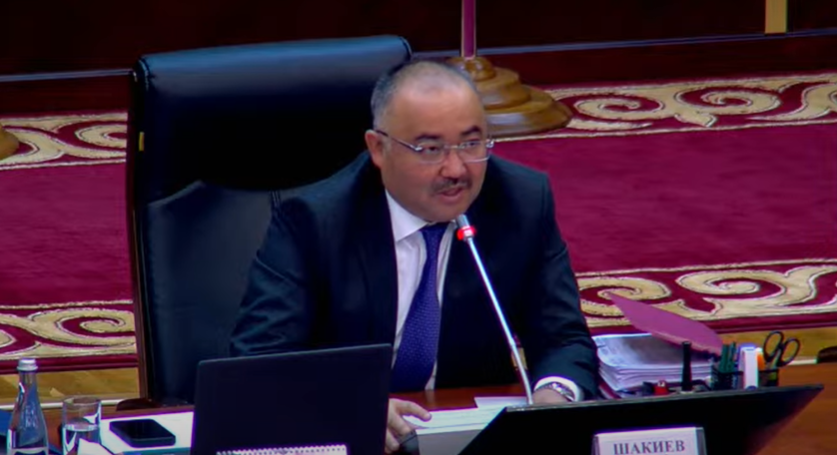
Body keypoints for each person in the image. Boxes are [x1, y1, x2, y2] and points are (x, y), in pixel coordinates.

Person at [229, 59, 598, 453]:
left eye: (471, 144)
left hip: (469, 435)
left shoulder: (521, 202)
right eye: (430, 149)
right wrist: (346, 404)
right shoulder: (314, 222)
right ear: (378, 148)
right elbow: (259, 363)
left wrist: (554, 397)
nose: (456, 169)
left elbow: (564, 340)